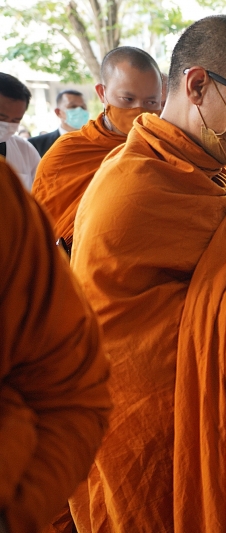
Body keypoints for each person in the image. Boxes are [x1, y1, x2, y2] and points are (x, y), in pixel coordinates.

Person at [62, 15, 226, 533]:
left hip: (204, 419)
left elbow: (219, 286)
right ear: (198, 85)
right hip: (150, 444)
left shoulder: (206, 176)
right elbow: (131, 361)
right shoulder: (135, 188)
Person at [0, 160, 111, 533]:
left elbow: (70, 390)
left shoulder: (5, 201)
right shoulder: (70, 154)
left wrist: (20, 510)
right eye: (128, 96)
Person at [32, 47, 162, 256]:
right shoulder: (68, 152)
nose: (140, 110)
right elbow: (44, 228)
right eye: (127, 100)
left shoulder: (163, 149)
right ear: (102, 93)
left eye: (151, 102)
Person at [0, 73, 40, 189]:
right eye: (1, 118)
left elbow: (40, 194)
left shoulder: (25, 150)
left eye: (15, 120)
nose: (7, 125)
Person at [29, 89, 88, 157]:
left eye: (83, 107)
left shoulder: (95, 141)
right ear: (58, 112)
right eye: (73, 106)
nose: (79, 110)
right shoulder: (37, 145)